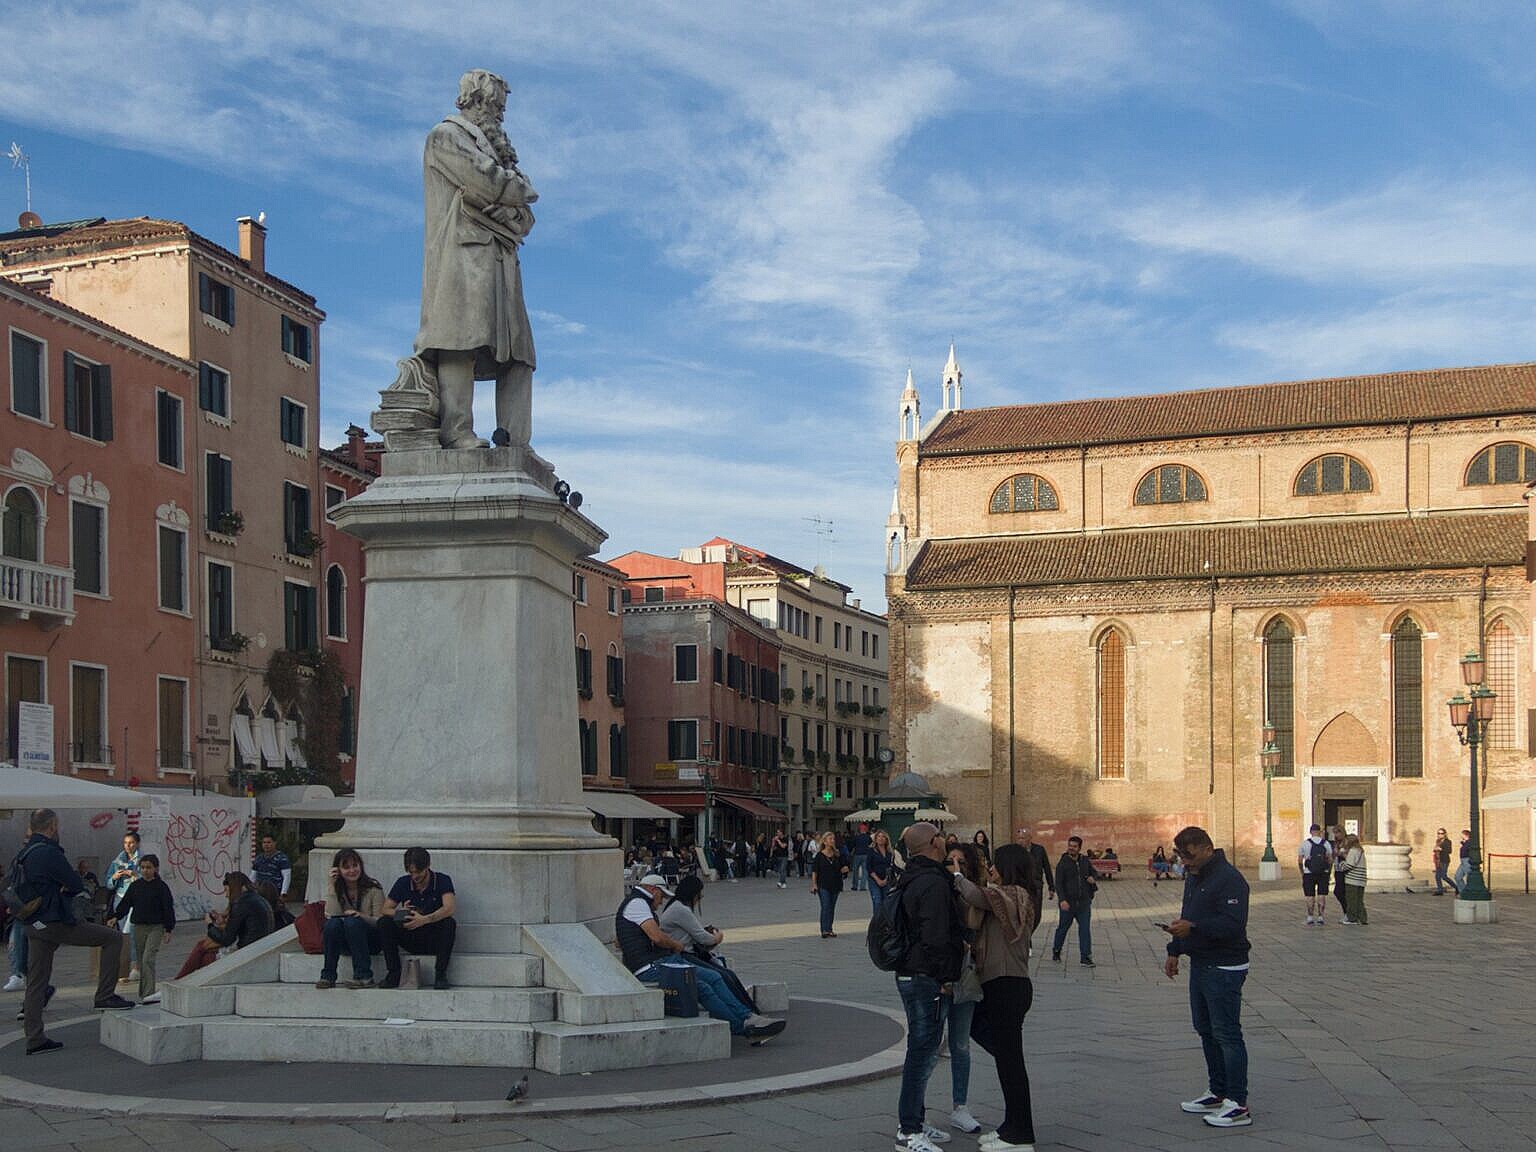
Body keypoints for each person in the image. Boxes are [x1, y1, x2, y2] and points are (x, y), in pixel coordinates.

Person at [410, 69, 539, 450]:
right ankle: (457, 431)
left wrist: (509, 209)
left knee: (521, 355)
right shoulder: (446, 137)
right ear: (474, 101)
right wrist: (514, 194)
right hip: (461, 257)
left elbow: (525, 216)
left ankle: (517, 443)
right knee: (458, 342)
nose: (499, 113)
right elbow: (491, 183)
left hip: (502, 262)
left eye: (502, 107)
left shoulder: (499, 153)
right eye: (494, 104)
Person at [15, 808, 135, 1054]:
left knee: (36, 982)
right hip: (54, 921)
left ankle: (35, 1039)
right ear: (52, 827)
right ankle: (104, 996)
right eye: (57, 826)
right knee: (112, 938)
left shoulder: (24, 853)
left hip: (32, 924)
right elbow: (74, 882)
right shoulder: (49, 852)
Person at [616, 873, 782, 1040]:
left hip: (660, 961)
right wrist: (676, 945)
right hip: (650, 966)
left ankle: (747, 1017)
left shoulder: (637, 903)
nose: (661, 902)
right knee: (703, 986)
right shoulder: (638, 903)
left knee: (714, 977)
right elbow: (657, 937)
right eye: (662, 895)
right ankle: (743, 1025)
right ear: (653, 890)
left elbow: (623, 938)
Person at [1162, 825, 1253, 1130]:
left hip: (1225, 966)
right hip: (1201, 962)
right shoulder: (1195, 876)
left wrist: (1194, 929)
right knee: (1205, 1029)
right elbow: (1186, 913)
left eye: (1187, 855)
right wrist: (1175, 948)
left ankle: (1238, 1103)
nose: (1184, 862)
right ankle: (1217, 1091)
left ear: (1204, 848)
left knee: (1227, 1033)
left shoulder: (1230, 880)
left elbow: (1232, 923)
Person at [954, 843, 1041, 1152]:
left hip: (1009, 985)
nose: (991, 868)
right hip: (1000, 984)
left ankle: (1021, 1136)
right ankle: (1011, 1126)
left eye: (995, 864)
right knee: (1007, 1059)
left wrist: (955, 873)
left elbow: (977, 895)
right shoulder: (1003, 896)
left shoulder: (1016, 894)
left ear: (1009, 866)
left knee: (1012, 1063)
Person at [892, 821, 965, 1152]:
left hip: (912, 972)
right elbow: (936, 937)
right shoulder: (932, 884)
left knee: (922, 1049)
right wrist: (945, 978)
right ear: (932, 844)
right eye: (940, 835)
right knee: (922, 1053)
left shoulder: (913, 877)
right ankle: (909, 1131)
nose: (945, 839)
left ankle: (915, 1121)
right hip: (926, 976)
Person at [939, 842, 985, 1137]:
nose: (955, 865)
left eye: (961, 861)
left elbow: (978, 924)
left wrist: (962, 884)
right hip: (941, 977)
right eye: (950, 860)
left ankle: (960, 1107)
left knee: (961, 1045)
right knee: (929, 1046)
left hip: (967, 975)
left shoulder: (976, 893)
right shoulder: (937, 891)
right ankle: (914, 1112)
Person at [378, 846, 457, 989]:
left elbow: (449, 908)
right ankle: (394, 972)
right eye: (411, 872)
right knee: (384, 923)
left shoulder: (442, 880)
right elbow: (384, 909)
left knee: (449, 923)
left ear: (427, 866)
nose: (415, 877)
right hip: (410, 934)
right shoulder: (403, 882)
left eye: (418, 872)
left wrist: (424, 919)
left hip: (432, 935)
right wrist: (401, 912)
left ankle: (440, 974)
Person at [109, 854, 176, 1004]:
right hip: (138, 927)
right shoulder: (136, 886)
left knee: (148, 959)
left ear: (156, 869)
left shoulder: (161, 887)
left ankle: (149, 993)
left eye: (149, 868)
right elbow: (126, 903)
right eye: (143, 867)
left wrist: (168, 929)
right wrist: (115, 916)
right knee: (140, 960)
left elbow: (168, 908)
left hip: (156, 927)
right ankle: (144, 994)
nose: (145, 871)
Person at [318, 848, 385, 989]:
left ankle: (364, 976)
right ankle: (328, 976)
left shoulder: (374, 888)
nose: (352, 870)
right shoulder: (337, 888)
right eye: (346, 867)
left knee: (352, 922)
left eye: (355, 865)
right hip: (346, 940)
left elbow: (380, 921)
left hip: (369, 940)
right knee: (332, 924)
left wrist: (361, 916)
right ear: (338, 870)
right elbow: (331, 914)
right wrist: (331, 885)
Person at [1051, 835, 1097, 966]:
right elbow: (1058, 883)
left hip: (1083, 902)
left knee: (1084, 929)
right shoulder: (1063, 863)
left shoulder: (1084, 861)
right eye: (1070, 846)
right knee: (1063, 928)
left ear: (1079, 848)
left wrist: (1092, 879)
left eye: (1074, 846)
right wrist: (1062, 900)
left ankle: (1085, 956)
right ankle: (1056, 950)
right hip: (1068, 903)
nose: (1071, 848)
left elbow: (1094, 873)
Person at [106, 829, 141, 984]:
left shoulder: (141, 861)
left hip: (134, 899)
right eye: (126, 843)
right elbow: (108, 884)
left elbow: (146, 879)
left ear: (137, 844)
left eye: (131, 843)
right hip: (120, 899)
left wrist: (135, 875)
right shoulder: (116, 862)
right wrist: (114, 877)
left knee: (131, 931)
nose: (128, 846)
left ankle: (135, 967)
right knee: (122, 934)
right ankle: (123, 967)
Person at [810, 831, 849, 938]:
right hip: (823, 884)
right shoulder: (819, 855)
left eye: (833, 839)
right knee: (826, 906)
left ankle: (829, 929)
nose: (832, 841)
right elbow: (815, 871)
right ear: (825, 841)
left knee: (831, 907)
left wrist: (845, 869)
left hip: (836, 884)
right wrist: (814, 884)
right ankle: (824, 930)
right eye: (830, 839)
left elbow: (844, 866)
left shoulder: (837, 855)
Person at [1297, 823, 1334, 926]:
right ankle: (1321, 917)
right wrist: (1329, 871)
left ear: (1310, 832)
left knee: (1310, 895)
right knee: (1321, 895)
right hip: (1323, 873)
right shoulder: (1326, 843)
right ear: (1320, 832)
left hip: (1309, 873)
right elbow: (1330, 859)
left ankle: (1310, 917)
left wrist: (1302, 872)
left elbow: (1300, 860)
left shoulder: (1305, 844)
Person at [1012, 827, 1054, 908]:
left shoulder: (1039, 850)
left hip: (1036, 885)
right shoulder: (1015, 851)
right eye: (1018, 838)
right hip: (1021, 886)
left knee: (1036, 911)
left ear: (1029, 838)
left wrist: (1051, 887)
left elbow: (1047, 868)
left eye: (1022, 838)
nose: (1020, 840)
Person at [251, 833, 292, 900]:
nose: (266, 845)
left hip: (275, 893)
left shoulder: (282, 858)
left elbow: (287, 876)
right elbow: (253, 876)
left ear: (274, 843)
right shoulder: (258, 858)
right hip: (260, 893)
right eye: (264, 842)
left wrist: (283, 893)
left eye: (269, 842)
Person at [1339, 834, 1368, 925]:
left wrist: (1341, 864)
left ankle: (1352, 918)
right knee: (1359, 900)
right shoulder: (1360, 851)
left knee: (1351, 900)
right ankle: (1363, 918)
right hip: (1361, 879)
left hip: (1352, 879)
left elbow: (1349, 865)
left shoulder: (1353, 851)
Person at [869, 829, 898, 914]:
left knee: (887, 901)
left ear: (886, 839)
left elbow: (892, 865)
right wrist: (877, 879)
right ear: (876, 839)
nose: (881, 838)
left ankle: (885, 923)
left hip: (887, 879)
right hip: (874, 879)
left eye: (883, 837)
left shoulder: (890, 852)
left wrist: (886, 879)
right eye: (879, 836)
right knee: (877, 901)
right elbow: (869, 867)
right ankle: (877, 923)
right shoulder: (871, 850)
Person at [1330, 827, 1350, 922]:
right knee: (1338, 892)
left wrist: (1340, 853)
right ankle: (1346, 912)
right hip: (1337, 870)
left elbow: (1349, 856)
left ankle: (1348, 912)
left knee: (1340, 892)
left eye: (1337, 833)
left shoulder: (1347, 843)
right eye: (1335, 833)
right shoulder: (1336, 843)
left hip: (1344, 871)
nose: (1336, 835)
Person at [1432, 828, 1457, 896]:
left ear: (1445, 834)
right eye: (1438, 833)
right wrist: (1435, 849)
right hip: (1438, 860)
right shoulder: (1438, 841)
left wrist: (1441, 849)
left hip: (1444, 860)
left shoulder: (1448, 841)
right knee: (1437, 876)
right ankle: (1440, 890)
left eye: (1441, 833)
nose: (1440, 835)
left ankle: (1456, 887)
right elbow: (1435, 850)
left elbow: (1449, 851)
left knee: (1444, 876)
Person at [850, 825, 873, 891]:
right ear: (866, 830)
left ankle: (855, 886)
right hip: (866, 854)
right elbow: (871, 844)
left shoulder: (856, 837)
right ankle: (863, 886)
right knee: (865, 871)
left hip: (857, 854)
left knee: (855, 871)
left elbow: (853, 845)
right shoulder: (868, 837)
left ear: (859, 830)